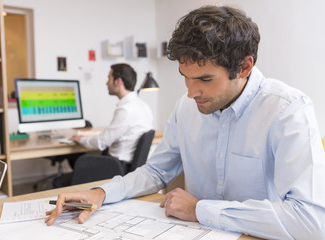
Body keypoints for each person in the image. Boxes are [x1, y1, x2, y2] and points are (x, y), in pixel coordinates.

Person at [45, 5, 325, 239]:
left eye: (204, 80)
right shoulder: (186, 106)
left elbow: (312, 221)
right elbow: (155, 172)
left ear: (244, 67)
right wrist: (102, 192)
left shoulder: (287, 111)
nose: (191, 93)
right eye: (184, 77)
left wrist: (200, 209)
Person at [70, 63, 153, 171]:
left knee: (78, 161)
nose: (106, 83)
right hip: (128, 168)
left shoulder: (125, 110)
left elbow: (101, 143)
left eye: (109, 78)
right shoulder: (143, 106)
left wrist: (81, 139)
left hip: (115, 168)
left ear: (118, 82)